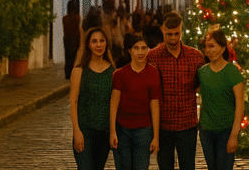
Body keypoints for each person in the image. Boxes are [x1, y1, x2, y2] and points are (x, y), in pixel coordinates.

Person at [147, 13, 205, 170]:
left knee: (188, 166)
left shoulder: (195, 57)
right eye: (169, 34)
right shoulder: (152, 57)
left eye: (176, 34)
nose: (173, 38)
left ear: (181, 31)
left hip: (187, 124)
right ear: (162, 30)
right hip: (163, 126)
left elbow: (202, 85)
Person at [110, 35, 161, 170]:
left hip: (144, 130)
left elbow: (154, 105)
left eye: (144, 48)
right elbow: (114, 103)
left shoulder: (153, 73)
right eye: (136, 48)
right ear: (129, 50)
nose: (140, 52)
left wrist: (156, 136)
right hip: (123, 129)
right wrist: (112, 131)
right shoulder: (120, 74)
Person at [197, 29, 245, 170]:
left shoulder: (232, 72)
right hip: (206, 130)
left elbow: (239, 105)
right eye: (206, 46)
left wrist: (234, 135)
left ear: (223, 47)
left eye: (212, 46)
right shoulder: (202, 72)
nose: (208, 50)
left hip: (226, 130)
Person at [70, 27, 114, 170]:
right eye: (94, 41)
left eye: (102, 41)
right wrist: (76, 131)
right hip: (85, 131)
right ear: (88, 45)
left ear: (106, 43)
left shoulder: (113, 72)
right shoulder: (79, 71)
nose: (98, 45)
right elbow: (73, 102)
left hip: (104, 133)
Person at [63, 0, 82, 80]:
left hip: (67, 39)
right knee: (75, 58)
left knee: (68, 58)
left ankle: (68, 74)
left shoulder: (65, 18)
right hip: (76, 39)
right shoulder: (78, 17)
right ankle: (74, 73)